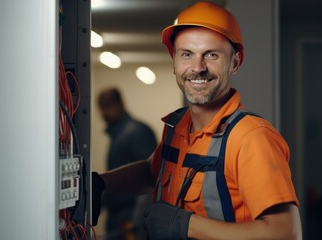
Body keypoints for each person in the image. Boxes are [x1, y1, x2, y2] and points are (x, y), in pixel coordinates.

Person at [92, 2, 302, 239]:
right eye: (187, 54)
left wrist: (185, 224)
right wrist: (100, 183)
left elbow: (286, 234)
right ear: (175, 61)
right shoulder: (178, 125)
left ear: (235, 62)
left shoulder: (251, 137)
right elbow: (152, 173)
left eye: (212, 55)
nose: (197, 67)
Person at [97, 88, 157, 239]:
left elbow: (150, 176)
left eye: (109, 105)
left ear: (121, 104)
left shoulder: (136, 132)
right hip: (117, 216)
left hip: (130, 219)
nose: (105, 111)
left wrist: (138, 221)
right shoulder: (118, 133)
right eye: (102, 106)